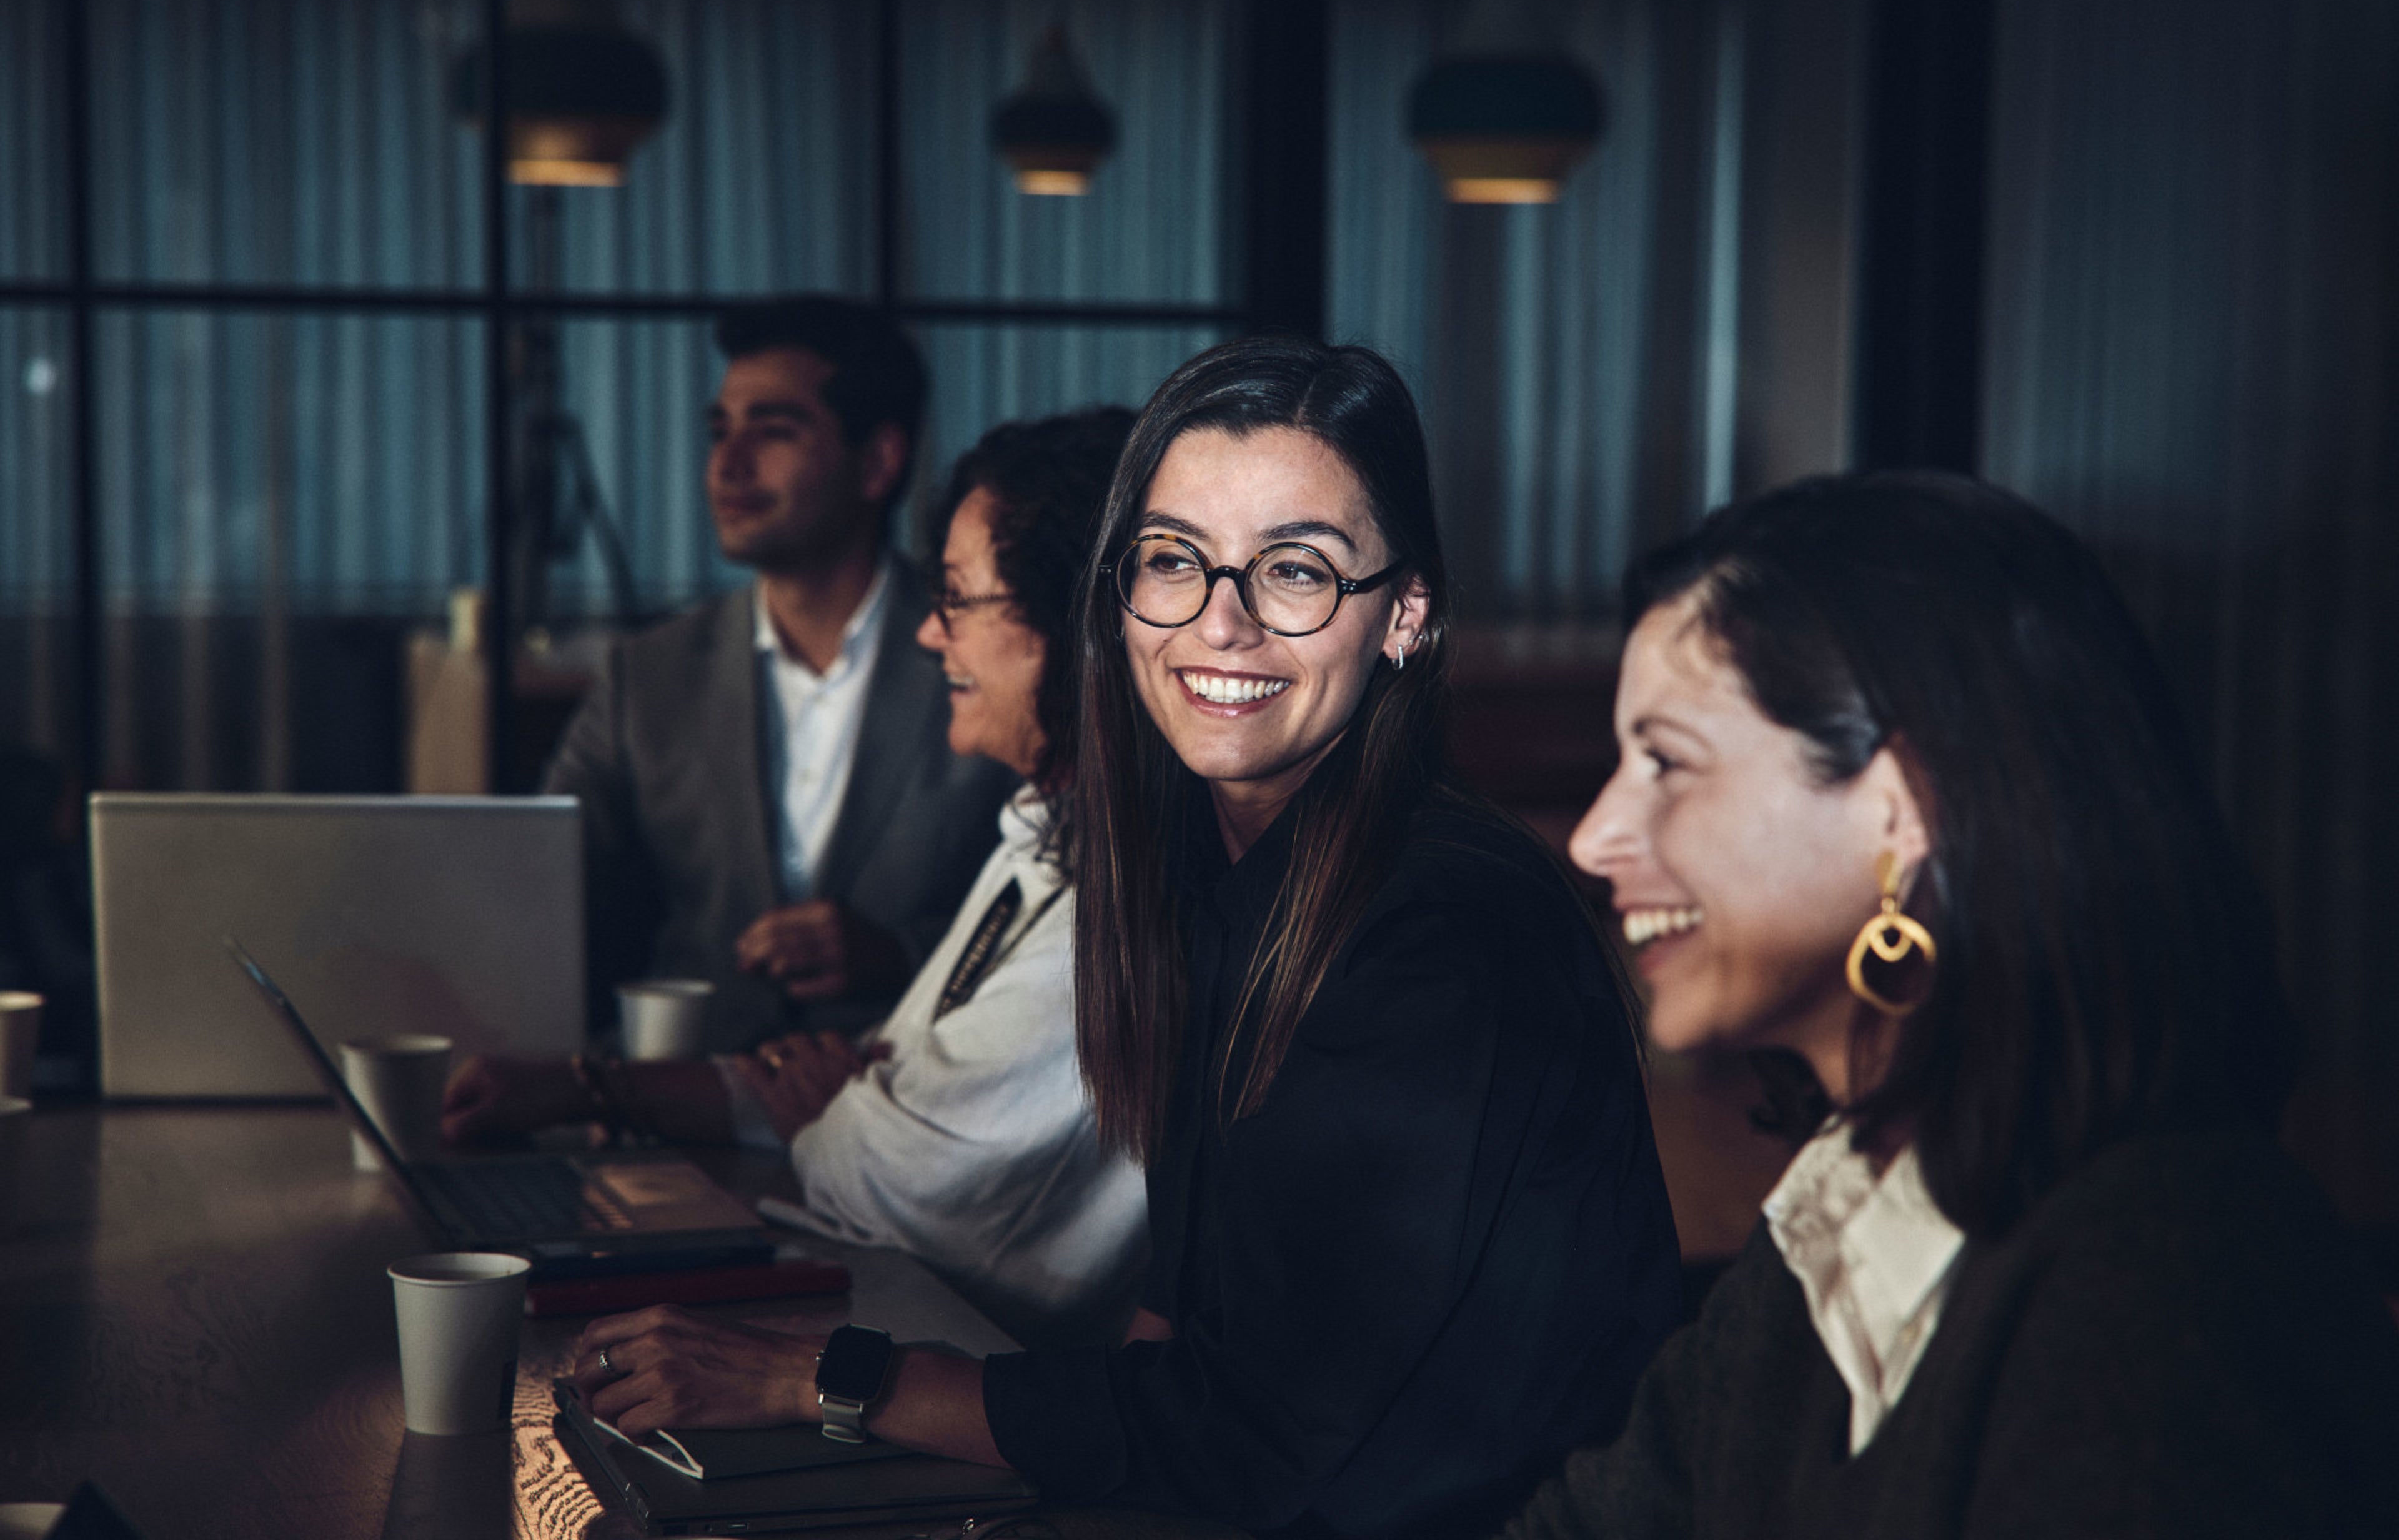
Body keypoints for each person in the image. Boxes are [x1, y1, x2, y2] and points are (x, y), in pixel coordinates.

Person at [567, 338, 1685, 1540]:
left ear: (1404, 615)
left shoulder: (1442, 935)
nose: (1222, 624)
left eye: (1296, 572)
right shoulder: (1204, 866)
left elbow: (1257, 1437)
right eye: (1174, 561)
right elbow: (1178, 1318)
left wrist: (826, 1377)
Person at [1498, 471, 2399, 1538]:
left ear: (1902, 808)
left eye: (1666, 762)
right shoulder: (1838, 1222)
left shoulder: (2169, 1288)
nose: (1597, 837)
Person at [447, 409, 1147, 1348]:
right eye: (714, 426)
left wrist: (845, 1112)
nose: (934, 637)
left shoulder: (1125, 894)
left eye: (960, 599)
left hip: (959, 1352)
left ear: (1075, 622)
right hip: (870, 1276)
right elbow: (873, 1085)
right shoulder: (1043, 832)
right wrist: (591, 1085)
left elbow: (920, 1183)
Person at [546, 295, 1018, 1048]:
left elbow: (1075, 916)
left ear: (877, 461)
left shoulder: (985, 654)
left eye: (772, 431)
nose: (727, 465)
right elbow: (542, 888)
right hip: (683, 1105)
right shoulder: (647, 676)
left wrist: (897, 954)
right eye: (718, 431)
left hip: (913, 1105)